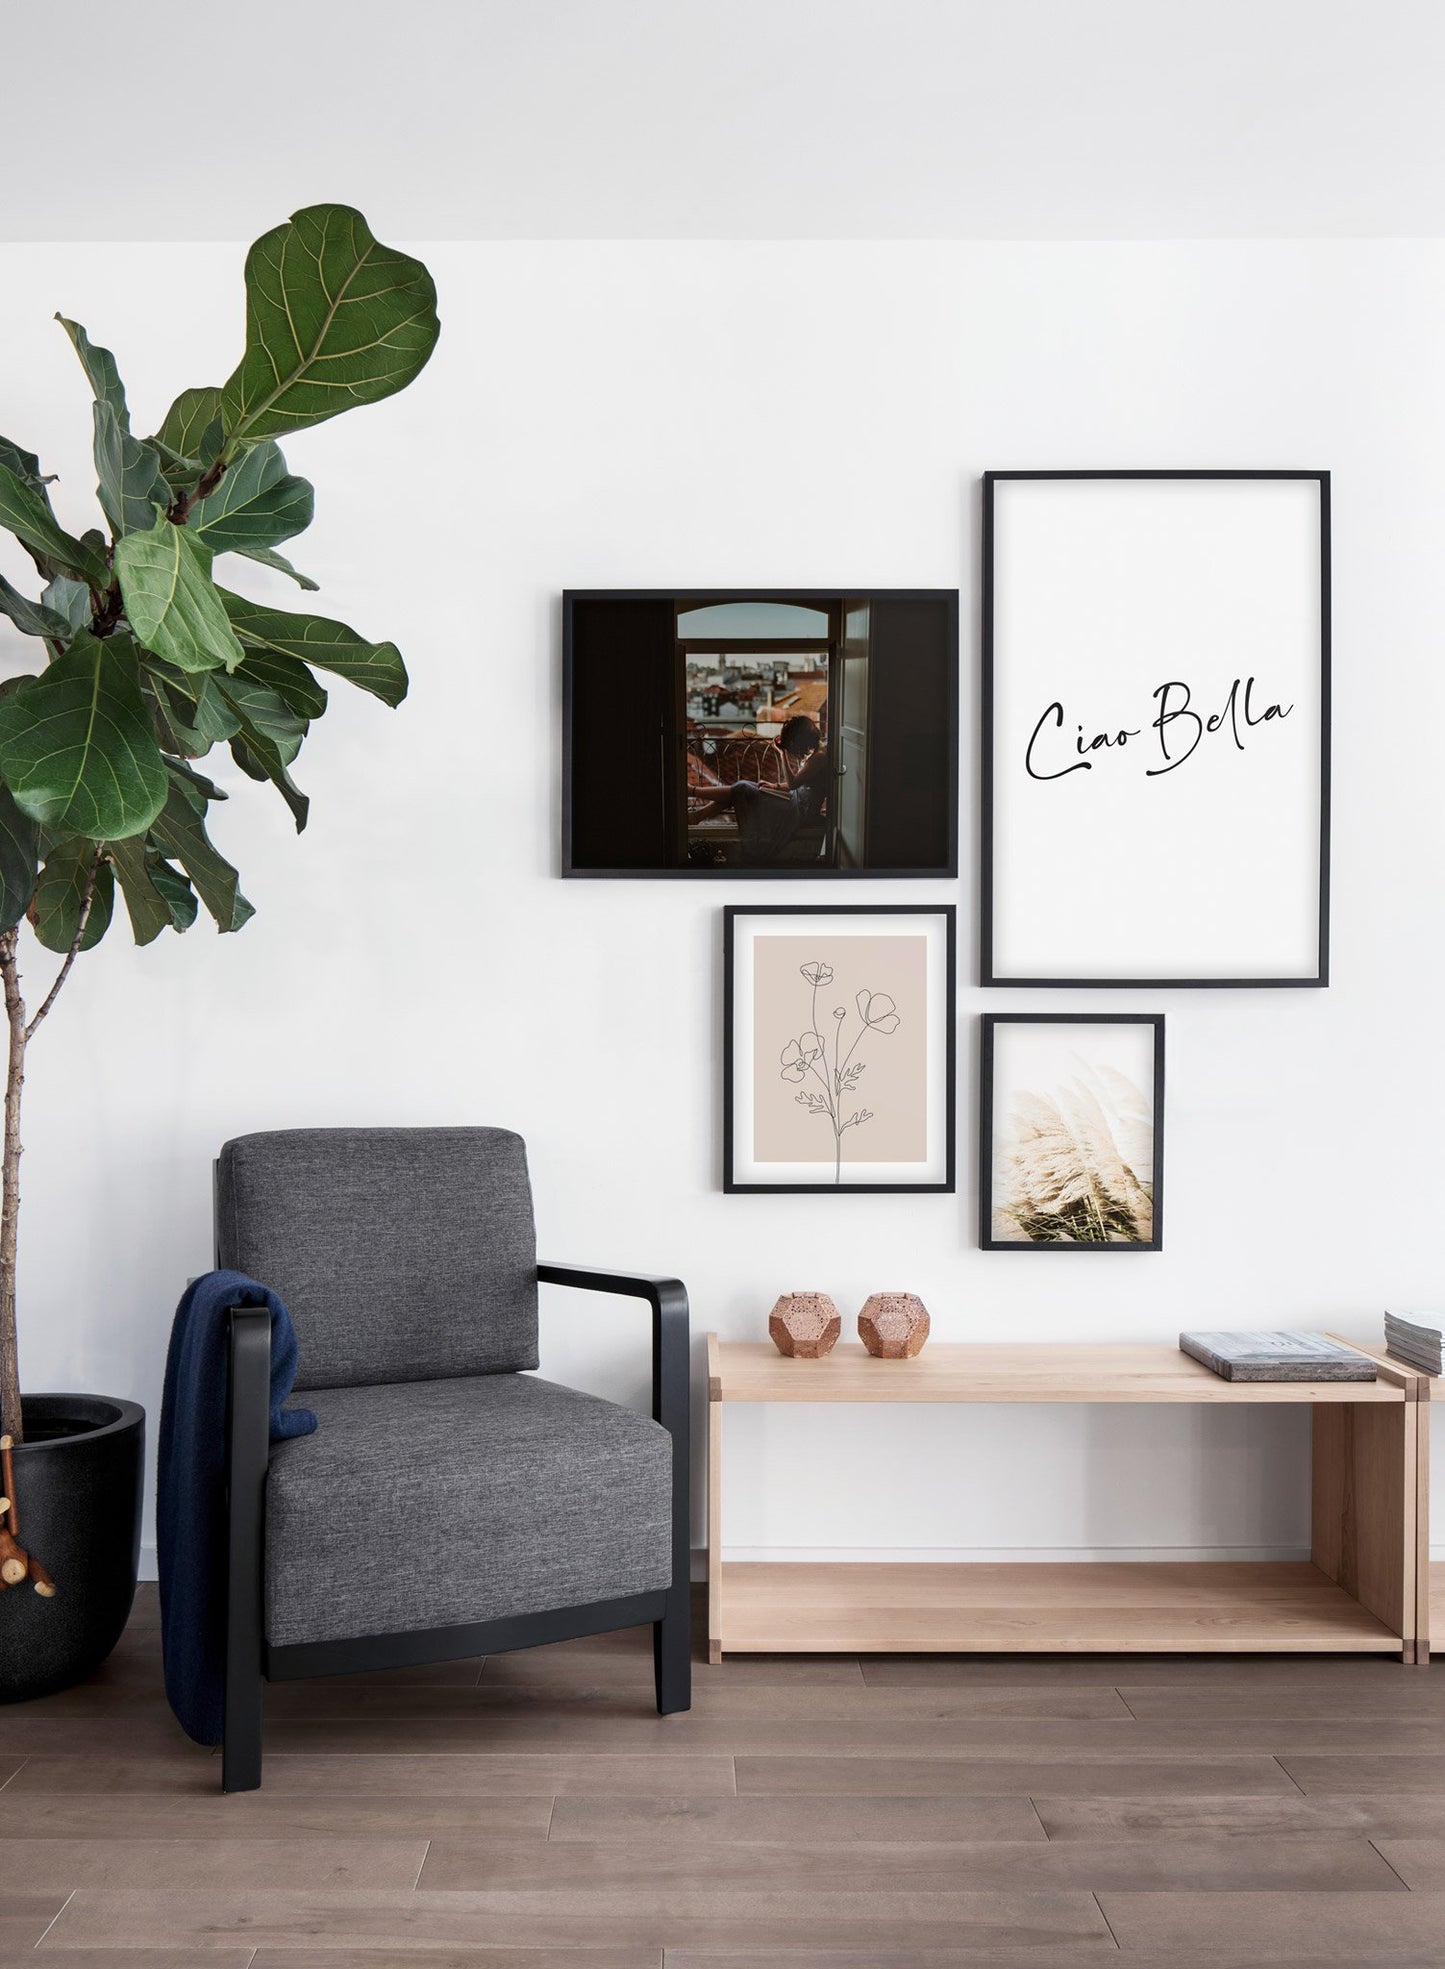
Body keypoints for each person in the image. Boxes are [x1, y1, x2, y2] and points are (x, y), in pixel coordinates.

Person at [688, 715, 828, 864]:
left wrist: (783, 754)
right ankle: (697, 815)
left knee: (742, 788)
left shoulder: (819, 757)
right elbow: (797, 783)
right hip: (795, 800)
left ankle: (693, 792)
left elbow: (793, 783)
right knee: (743, 790)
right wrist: (775, 786)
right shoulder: (817, 752)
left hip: (799, 811)